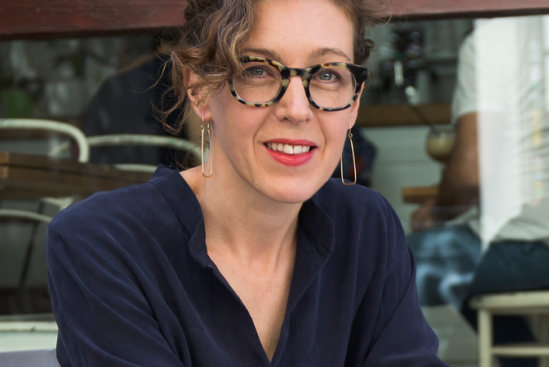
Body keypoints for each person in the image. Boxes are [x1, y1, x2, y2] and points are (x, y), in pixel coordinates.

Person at [45, 0, 448, 366]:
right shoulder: (102, 243)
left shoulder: (368, 228)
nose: (297, 109)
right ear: (200, 89)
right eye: (258, 70)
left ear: (355, 100)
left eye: (327, 74)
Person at [408, 14, 549, 367]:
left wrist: (436, 213)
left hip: (530, 248)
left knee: (369, 263)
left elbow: (470, 173)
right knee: (466, 268)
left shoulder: (494, 39)